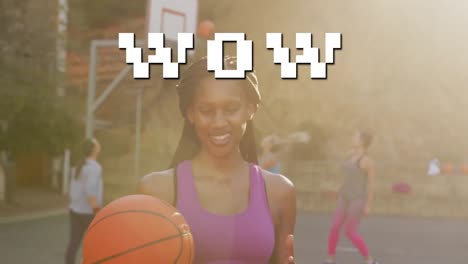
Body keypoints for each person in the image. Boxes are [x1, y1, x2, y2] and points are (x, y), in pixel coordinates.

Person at [138, 56, 296, 263]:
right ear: (191, 113)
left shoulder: (280, 192)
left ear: (250, 109)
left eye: (231, 109)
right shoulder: (157, 190)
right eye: (206, 111)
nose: (219, 122)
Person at [324, 130, 378, 264]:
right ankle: (330, 259)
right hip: (344, 197)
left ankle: (369, 260)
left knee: (350, 231)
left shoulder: (367, 161)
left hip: (357, 199)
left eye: (355, 137)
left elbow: (371, 185)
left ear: (362, 141)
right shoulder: (348, 156)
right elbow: (345, 177)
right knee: (335, 226)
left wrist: (368, 205)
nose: (352, 138)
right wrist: (337, 190)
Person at [65, 138, 103, 264]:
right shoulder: (94, 167)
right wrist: (98, 211)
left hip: (74, 210)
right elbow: (90, 191)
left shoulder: (79, 165)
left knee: (74, 243)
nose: (99, 144)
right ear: (93, 149)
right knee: (97, 242)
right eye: (97, 143)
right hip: (88, 212)